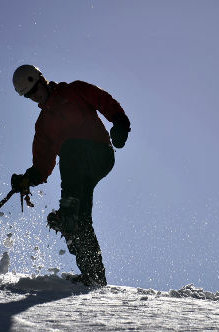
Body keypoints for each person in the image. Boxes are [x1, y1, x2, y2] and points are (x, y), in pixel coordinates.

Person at [9, 64, 130, 286]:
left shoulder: (74, 90)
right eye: (29, 96)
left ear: (42, 80)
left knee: (70, 148)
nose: (35, 98)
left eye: (35, 90)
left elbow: (104, 101)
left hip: (99, 154)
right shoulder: (43, 125)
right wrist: (27, 179)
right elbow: (43, 165)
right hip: (77, 170)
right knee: (80, 222)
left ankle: (68, 210)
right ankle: (94, 276)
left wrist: (120, 122)